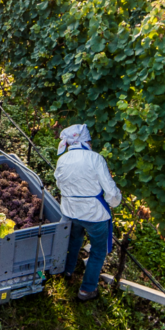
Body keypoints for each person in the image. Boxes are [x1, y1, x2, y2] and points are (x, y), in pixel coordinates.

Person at [54, 124, 122, 301]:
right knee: (98, 251)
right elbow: (111, 191)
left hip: (70, 211)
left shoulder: (63, 160)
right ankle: (87, 289)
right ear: (87, 141)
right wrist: (113, 203)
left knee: (74, 240)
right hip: (94, 215)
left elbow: (59, 185)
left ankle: (67, 271)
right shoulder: (95, 159)